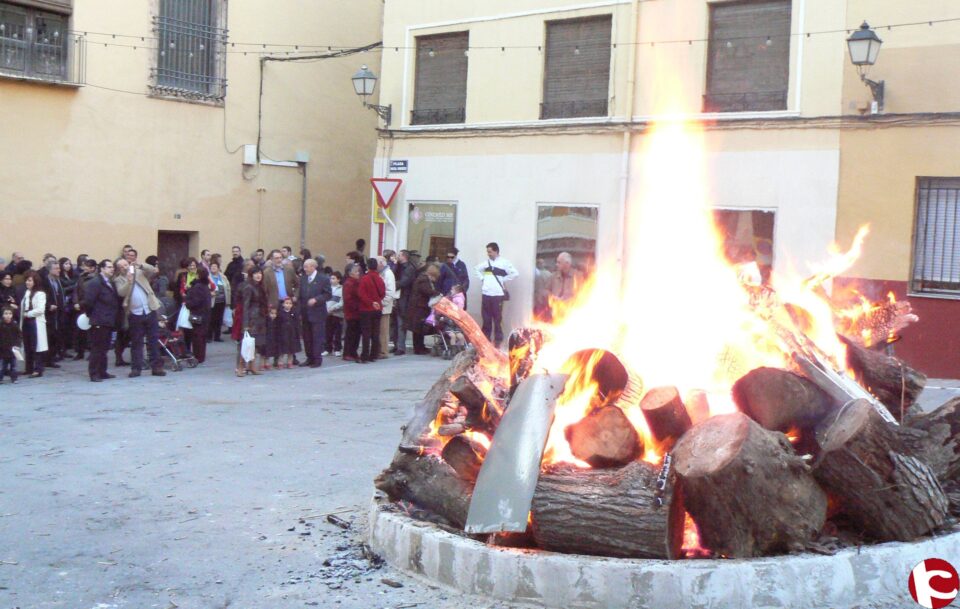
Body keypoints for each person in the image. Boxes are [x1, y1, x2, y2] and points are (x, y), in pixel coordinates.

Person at [112, 253, 166, 378]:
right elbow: (121, 292)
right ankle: (136, 368)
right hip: (135, 313)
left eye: (126, 264)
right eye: (121, 267)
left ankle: (156, 367)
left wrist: (140, 264)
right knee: (137, 342)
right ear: (118, 269)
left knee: (153, 340)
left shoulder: (139, 271)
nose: (125, 267)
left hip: (149, 309)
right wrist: (129, 282)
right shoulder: (118, 279)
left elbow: (153, 270)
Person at [474, 242, 519, 348]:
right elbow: (476, 269)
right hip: (486, 294)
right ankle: (485, 340)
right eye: (487, 252)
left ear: (496, 251)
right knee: (486, 318)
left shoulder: (504, 263)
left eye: (490, 252)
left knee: (497, 319)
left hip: (497, 294)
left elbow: (515, 273)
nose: (488, 254)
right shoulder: (485, 263)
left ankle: (498, 341)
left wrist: (503, 279)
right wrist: (482, 279)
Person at [83, 260, 121, 382]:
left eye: (112, 267)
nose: (112, 269)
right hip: (99, 319)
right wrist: (93, 315)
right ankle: (94, 373)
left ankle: (102, 371)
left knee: (104, 347)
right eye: (109, 267)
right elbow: (88, 302)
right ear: (102, 269)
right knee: (97, 348)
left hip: (109, 319)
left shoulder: (110, 282)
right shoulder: (95, 283)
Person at [298, 258, 331, 368]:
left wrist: (316, 299)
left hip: (318, 312)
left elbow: (327, 294)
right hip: (305, 312)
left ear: (313, 267)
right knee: (307, 337)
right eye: (304, 266)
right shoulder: (303, 278)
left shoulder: (323, 279)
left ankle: (317, 359)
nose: (305, 269)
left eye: (306, 267)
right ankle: (309, 357)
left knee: (317, 337)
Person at [406, 264, 441, 355]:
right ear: (432, 275)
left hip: (419, 307)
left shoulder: (422, 279)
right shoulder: (424, 280)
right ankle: (418, 348)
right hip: (419, 308)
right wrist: (439, 294)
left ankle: (420, 346)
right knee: (418, 329)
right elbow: (428, 291)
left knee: (419, 329)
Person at [239, 266, 268, 376]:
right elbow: (245, 306)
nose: (258, 275)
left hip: (260, 319)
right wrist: (245, 324)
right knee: (247, 344)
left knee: (256, 344)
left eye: (260, 273)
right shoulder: (248, 287)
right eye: (255, 273)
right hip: (252, 319)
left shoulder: (260, 287)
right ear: (251, 275)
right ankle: (241, 367)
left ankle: (251, 366)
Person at [357, 258, 386, 363]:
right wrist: (376, 301)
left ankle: (364, 356)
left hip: (366, 309)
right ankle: (373, 355)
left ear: (368, 266)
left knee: (366, 333)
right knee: (375, 332)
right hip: (378, 307)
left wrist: (370, 302)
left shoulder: (364, 278)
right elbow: (383, 293)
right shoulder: (379, 278)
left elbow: (361, 294)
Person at [19, 272, 47, 378]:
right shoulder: (26, 292)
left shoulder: (40, 294)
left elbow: (40, 310)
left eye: (30, 280)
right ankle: (28, 368)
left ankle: (38, 369)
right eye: (26, 280)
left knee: (36, 345)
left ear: (35, 282)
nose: (27, 282)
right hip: (26, 321)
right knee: (27, 345)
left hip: (35, 321)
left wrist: (27, 313)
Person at [184, 266, 213, 364]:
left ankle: (198, 356)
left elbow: (195, 302)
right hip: (205, 314)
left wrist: (187, 303)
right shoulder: (205, 286)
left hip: (198, 314)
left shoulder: (197, 287)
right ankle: (201, 356)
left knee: (197, 337)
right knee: (201, 336)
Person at [393, 250, 417, 356]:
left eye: (399, 255)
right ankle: (397, 345)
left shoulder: (409, 269)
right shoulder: (400, 267)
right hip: (399, 297)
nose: (397, 257)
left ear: (404, 257)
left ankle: (400, 347)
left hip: (404, 299)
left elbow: (404, 282)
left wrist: (392, 284)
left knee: (401, 323)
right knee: (396, 323)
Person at [43, 259, 65, 368]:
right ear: (50, 270)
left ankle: (52, 357)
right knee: (49, 336)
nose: (59, 270)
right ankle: (47, 359)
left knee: (56, 335)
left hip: (59, 313)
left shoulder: (58, 281)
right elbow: (42, 296)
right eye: (56, 269)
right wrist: (48, 306)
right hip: (50, 314)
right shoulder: (45, 281)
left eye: (59, 268)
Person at [377, 255, 397, 359]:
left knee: (383, 330)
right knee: (380, 330)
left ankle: (384, 351)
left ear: (381, 263)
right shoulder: (381, 273)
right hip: (380, 306)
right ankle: (379, 349)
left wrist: (382, 302)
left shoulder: (388, 274)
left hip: (384, 307)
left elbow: (390, 291)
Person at [341, 263, 361, 362]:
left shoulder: (357, 282)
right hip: (352, 312)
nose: (358, 273)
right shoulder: (349, 283)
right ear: (350, 273)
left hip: (357, 312)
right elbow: (348, 299)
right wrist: (357, 307)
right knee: (351, 334)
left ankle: (353, 352)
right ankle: (348, 353)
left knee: (356, 334)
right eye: (356, 271)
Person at [58, 258, 78, 357]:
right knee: (64, 327)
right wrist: (74, 286)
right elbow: (63, 289)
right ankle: (62, 348)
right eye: (66, 264)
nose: (68, 266)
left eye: (69, 264)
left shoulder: (72, 275)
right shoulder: (60, 277)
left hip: (71, 303)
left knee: (71, 326)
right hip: (64, 303)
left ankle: (69, 346)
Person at [208, 261, 231, 342]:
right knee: (211, 319)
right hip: (212, 301)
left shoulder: (223, 277)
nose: (213, 268)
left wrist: (228, 301)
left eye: (215, 267)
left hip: (221, 302)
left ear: (218, 268)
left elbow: (228, 288)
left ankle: (217, 336)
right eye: (212, 267)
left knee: (219, 319)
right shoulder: (208, 277)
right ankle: (209, 336)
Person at [277, 297, 301, 369]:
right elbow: (278, 324)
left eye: (290, 303)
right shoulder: (280, 313)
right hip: (283, 333)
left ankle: (289, 362)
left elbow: (297, 323)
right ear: (283, 304)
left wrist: (298, 331)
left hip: (292, 333)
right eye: (286, 303)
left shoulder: (294, 312)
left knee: (291, 349)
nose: (288, 305)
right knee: (282, 349)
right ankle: (280, 362)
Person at [0, 306, 22, 383]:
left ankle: (14, 378)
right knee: (2, 366)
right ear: (2, 315)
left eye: (10, 313)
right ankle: (0, 378)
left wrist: (18, 345)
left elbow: (19, 335)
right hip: (3, 349)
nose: (8, 315)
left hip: (13, 349)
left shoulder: (14, 324)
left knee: (14, 366)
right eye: (6, 313)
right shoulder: (1, 325)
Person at [324, 271, 344, 356]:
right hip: (327, 313)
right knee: (328, 331)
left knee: (337, 332)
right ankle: (328, 348)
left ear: (338, 279)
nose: (331, 280)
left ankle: (337, 348)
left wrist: (333, 308)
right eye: (331, 278)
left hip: (337, 314)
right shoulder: (327, 288)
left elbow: (342, 302)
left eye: (333, 278)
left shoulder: (342, 289)